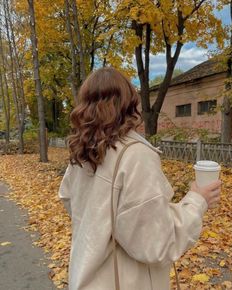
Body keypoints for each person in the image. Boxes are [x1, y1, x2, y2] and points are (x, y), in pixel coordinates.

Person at [58, 67, 221, 290]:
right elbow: (157, 243)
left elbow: (68, 198)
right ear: (129, 103)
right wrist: (197, 200)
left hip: (84, 277)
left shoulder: (82, 152)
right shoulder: (135, 155)